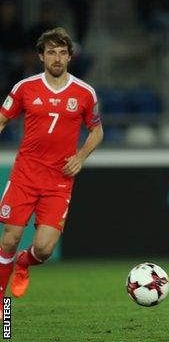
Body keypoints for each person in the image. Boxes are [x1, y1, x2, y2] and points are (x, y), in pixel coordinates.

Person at [0, 27, 103, 301]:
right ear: (41, 57)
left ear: (69, 57)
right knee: (9, 238)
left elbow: (97, 131)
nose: (56, 58)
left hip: (59, 180)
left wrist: (80, 157)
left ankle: (23, 264)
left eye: (62, 53)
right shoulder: (24, 88)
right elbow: (2, 120)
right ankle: (0, 300)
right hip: (25, 175)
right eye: (51, 53)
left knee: (44, 249)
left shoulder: (84, 93)